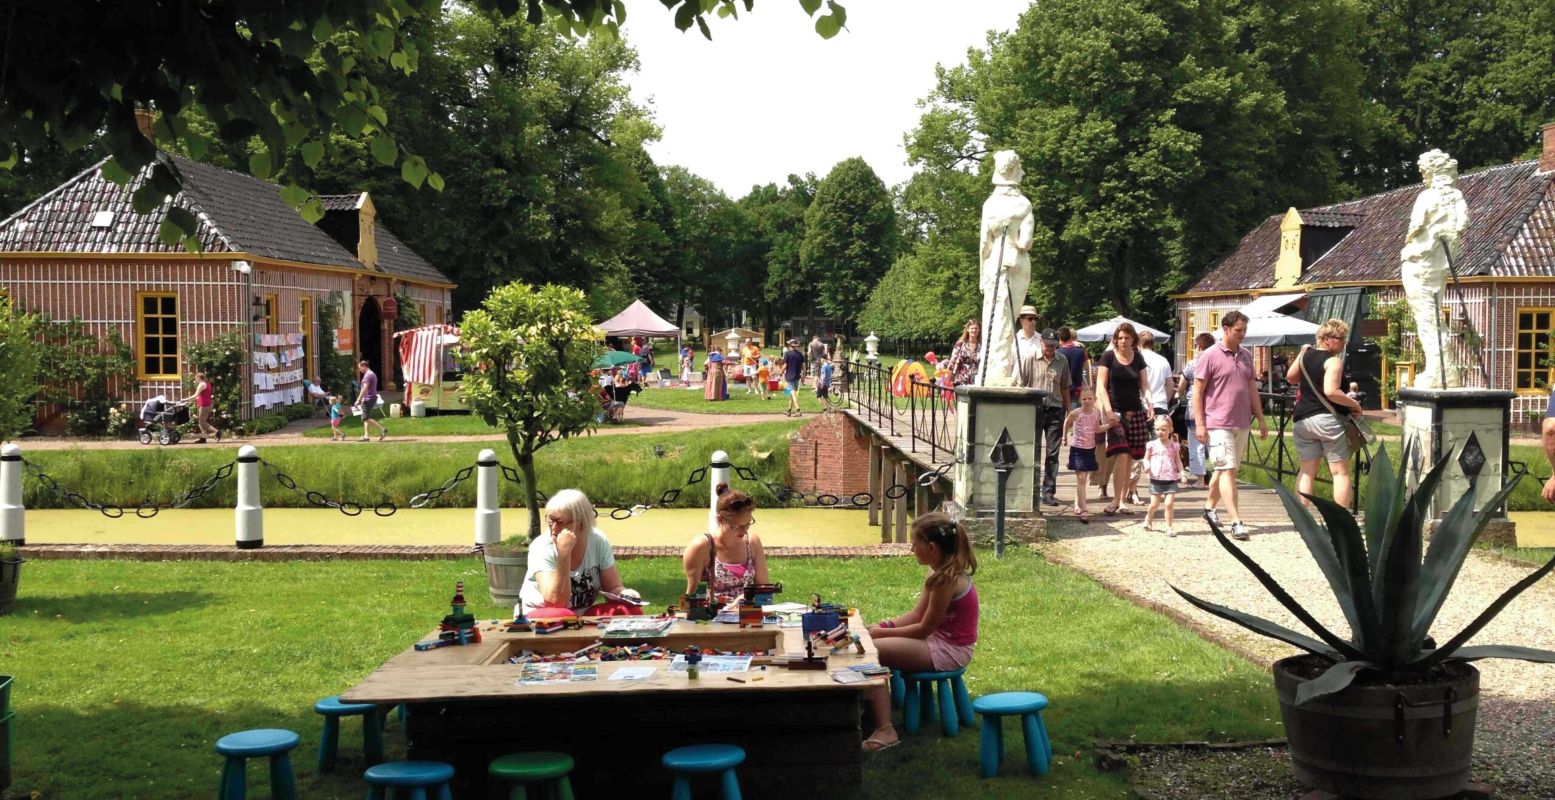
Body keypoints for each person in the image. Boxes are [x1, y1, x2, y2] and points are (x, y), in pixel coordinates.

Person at [862, 512, 978, 752]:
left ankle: (886, 729)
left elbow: (924, 628)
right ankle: (867, 708)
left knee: (871, 651)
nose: (911, 548)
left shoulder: (946, 579)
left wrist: (878, 636)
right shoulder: (937, 571)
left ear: (932, 547)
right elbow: (917, 616)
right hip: (936, 642)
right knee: (870, 643)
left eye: (915, 544)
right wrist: (884, 626)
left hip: (950, 650)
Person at [1195, 311, 1268, 540]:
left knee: (1222, 468)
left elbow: (1251, 389)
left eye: (1244, 330)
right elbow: (1197, 391)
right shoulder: (1209, 355)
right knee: (1228, 470)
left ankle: (1209, 508)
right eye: (1238, 330)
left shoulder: (1246, 356)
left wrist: (1261, 418)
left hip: (1241, 420)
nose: (1242, 335)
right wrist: (1200, 424)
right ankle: (1236, 521)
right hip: (1218, 421)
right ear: (1226, 329)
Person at [519, 489, 642, 619]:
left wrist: (625, 594)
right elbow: (555, 601)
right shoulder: (542, 546)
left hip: (583, 615)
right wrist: (563, 554)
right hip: (540, 614)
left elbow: (613, 587)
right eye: (551, 519)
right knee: (562, 614)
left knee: (630, 610)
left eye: (560, 522)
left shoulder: (598, 540)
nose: (553, 528)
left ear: (581, 523)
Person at [1287, 319, 1363, 509]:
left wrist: (1302, 353)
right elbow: (1331, 392)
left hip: (1303, 420)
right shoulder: (1333, 361)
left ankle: (1302, 518)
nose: (1344, 342)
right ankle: (1341, 520)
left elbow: (1291, 378)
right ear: (1327, 339)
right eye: (1341, 338)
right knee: (1340, 473)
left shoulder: (1306, 355)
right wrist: (1354, 404)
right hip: (1327, 421)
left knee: (1306, 471)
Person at [1095, 323, 1152, 515]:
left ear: (1133, 339)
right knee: (1121, 455)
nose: (1123, 341)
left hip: (1135, 411)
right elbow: (1101, 386)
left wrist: (1150, 402)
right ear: (1115, 340)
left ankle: (1121, 498)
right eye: (1120, 338)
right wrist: (1109, 411)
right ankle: (1116, 500)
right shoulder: (1108, 357)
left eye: (1127, 338)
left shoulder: (1138, 358)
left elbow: (1144, 385)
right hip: (1115, 411)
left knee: (1130, 458)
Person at [682, 484, 770, 605]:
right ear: (720, 520)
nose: (744, 531)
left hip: (748, 616)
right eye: (736, 526)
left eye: (748, 524)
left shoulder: (752, 542)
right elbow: (690, 601)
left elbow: (764, 591)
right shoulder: (701, 547)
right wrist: (729, 605)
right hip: (713, 618)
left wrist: (753, 600)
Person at [1017, 326, 1070, 506]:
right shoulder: (1030, 358)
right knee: (1031, 450)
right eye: (1047, 345)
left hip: (1055, 410)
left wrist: (1068, 410)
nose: (1050, 349)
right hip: (1034, 409)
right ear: (1041, 343)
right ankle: (1029, 490)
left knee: (1053, 453)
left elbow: (1064, 387)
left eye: (1053, 346)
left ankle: (1048, 492)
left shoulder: (1062, 360)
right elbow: (1021, 384)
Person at [1178, 332, 1216, 489]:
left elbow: (1181, 385)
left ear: (1199, 347)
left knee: (1196, 445)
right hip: (1214, 410)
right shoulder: (1217, 363)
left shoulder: (1193, 364)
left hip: (1195, 410)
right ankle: (1217, 479)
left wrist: (1179, 397)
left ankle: (1200, 480)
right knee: (1214, 445)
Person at [1063, 387, 1102, 523]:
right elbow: (1067, 422)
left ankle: (1077, 503)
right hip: (1077, 449)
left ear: (1094, 400)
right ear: (1080, 400)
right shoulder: (1076, 413)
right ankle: (1084, 508)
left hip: (1090, 449)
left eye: (1089, 398)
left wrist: (1109, 425)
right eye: (1084, 399)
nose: (1087, 401)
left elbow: (1097, 429)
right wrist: (1064, 437)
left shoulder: (1096, 413)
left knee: (1082, 480)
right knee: (1082, 478)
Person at [1143, 416, 1183, 536]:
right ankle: (1148, 518)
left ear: (1170, 429)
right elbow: (1146, 458)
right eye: (1157, 429)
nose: (1160, 432)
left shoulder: (1174, 446)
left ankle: (1169, 526)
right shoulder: (1152, 445)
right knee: (1154, 504)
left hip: (1171, 478)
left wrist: (1182, 472)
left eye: (1163, 429)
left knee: (1169, 503)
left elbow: (1178, 461)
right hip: (1156, 478)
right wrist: (1146, 465)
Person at [1056, 326, 1091, 405]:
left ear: (1059, 338)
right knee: (1074, 414)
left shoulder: (1057, 353)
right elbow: (1085, 366)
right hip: (1076, 389)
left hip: (1060, 389)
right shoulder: (1080, 352)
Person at [182, 371, 219, 443]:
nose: (195, 380)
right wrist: (192, 400)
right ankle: (203, 438)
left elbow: (195, 395)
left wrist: (185, 399)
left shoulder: (201, 385)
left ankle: (217, 432)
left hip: (204, 405)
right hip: (207, 404)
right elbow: (202, 395)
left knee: (202, 422)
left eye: (196, 378)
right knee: (201, 422)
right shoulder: (207, 384)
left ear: (199, 378)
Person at [354, 360, 387, 441]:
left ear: (364, 366)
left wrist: (358, 399)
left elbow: (365, 388)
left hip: (368, 398)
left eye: (360, 368)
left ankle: (382, 429)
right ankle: (366, 436)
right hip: (370, 398)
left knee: (365, 418)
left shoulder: (368, 375)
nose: (359, 369)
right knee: (366, 417)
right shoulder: (371, 374)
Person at [946, 319, 981, 387]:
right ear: (968, 329)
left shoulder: (982, 346)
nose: (974, 330)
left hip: (976, 381)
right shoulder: (961, 344)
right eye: (972, 328)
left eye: (976, 328)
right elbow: (952, 362)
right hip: (961, 380)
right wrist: (949, 379)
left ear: (979, 330)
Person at [782, 338, 806, 417]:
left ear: (789, 345)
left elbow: (785, 366)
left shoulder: (787, 354)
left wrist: (780, 373)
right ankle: (789, 411)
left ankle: (798, 410)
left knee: (792, 393)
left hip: (789, 376)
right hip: (797, 376)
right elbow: (804, 367)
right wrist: (803, 376)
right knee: (792, 394)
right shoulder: (800, 354)